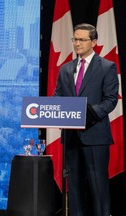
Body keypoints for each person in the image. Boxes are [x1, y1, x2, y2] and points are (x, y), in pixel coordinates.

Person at [53, 23, 118, 216]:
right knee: (74, 188)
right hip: (71, 138)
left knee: (98, 187)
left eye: (82, 39)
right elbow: (58, 97)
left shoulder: (107, 67)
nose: (77, 43)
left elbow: (111, 100)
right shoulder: (65, 69)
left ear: (94, 42)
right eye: (75, 39)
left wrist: (86, 116)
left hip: (95, 136)